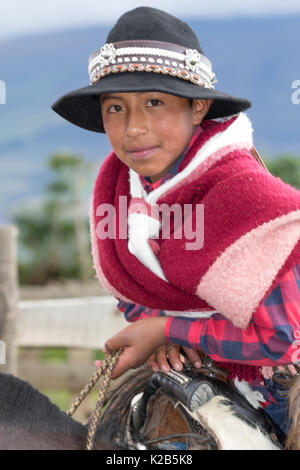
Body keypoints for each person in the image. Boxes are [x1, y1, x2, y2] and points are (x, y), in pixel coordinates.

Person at [52, 7, 300, 436]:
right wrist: (168, 335)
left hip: (280, 380)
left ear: (198, 107)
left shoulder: (247, 197)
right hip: (197, 360)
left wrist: (166, 328)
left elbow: (280, 337)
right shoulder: (116, 188)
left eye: (154, 103)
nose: (133, 128)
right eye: (115, 108)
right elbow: (131, 287)